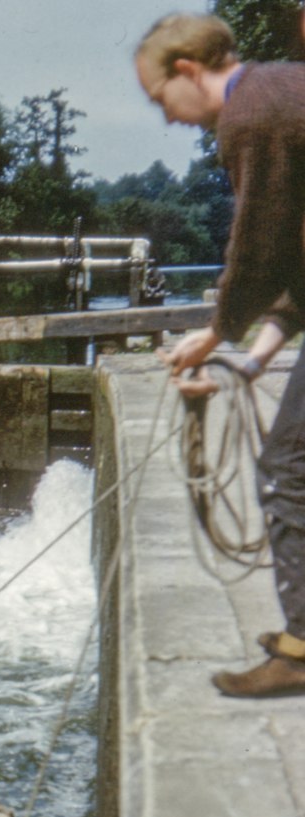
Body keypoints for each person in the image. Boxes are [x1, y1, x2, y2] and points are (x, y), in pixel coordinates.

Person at [136, 13, 305, 696]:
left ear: (186, 71)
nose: (169, 120)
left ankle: (299, 653)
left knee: (289, 465)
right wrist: (255, 357)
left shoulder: (251, 118)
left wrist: (217, 330)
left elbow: (258, 248)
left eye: (159, 100)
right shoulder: (279, 93)